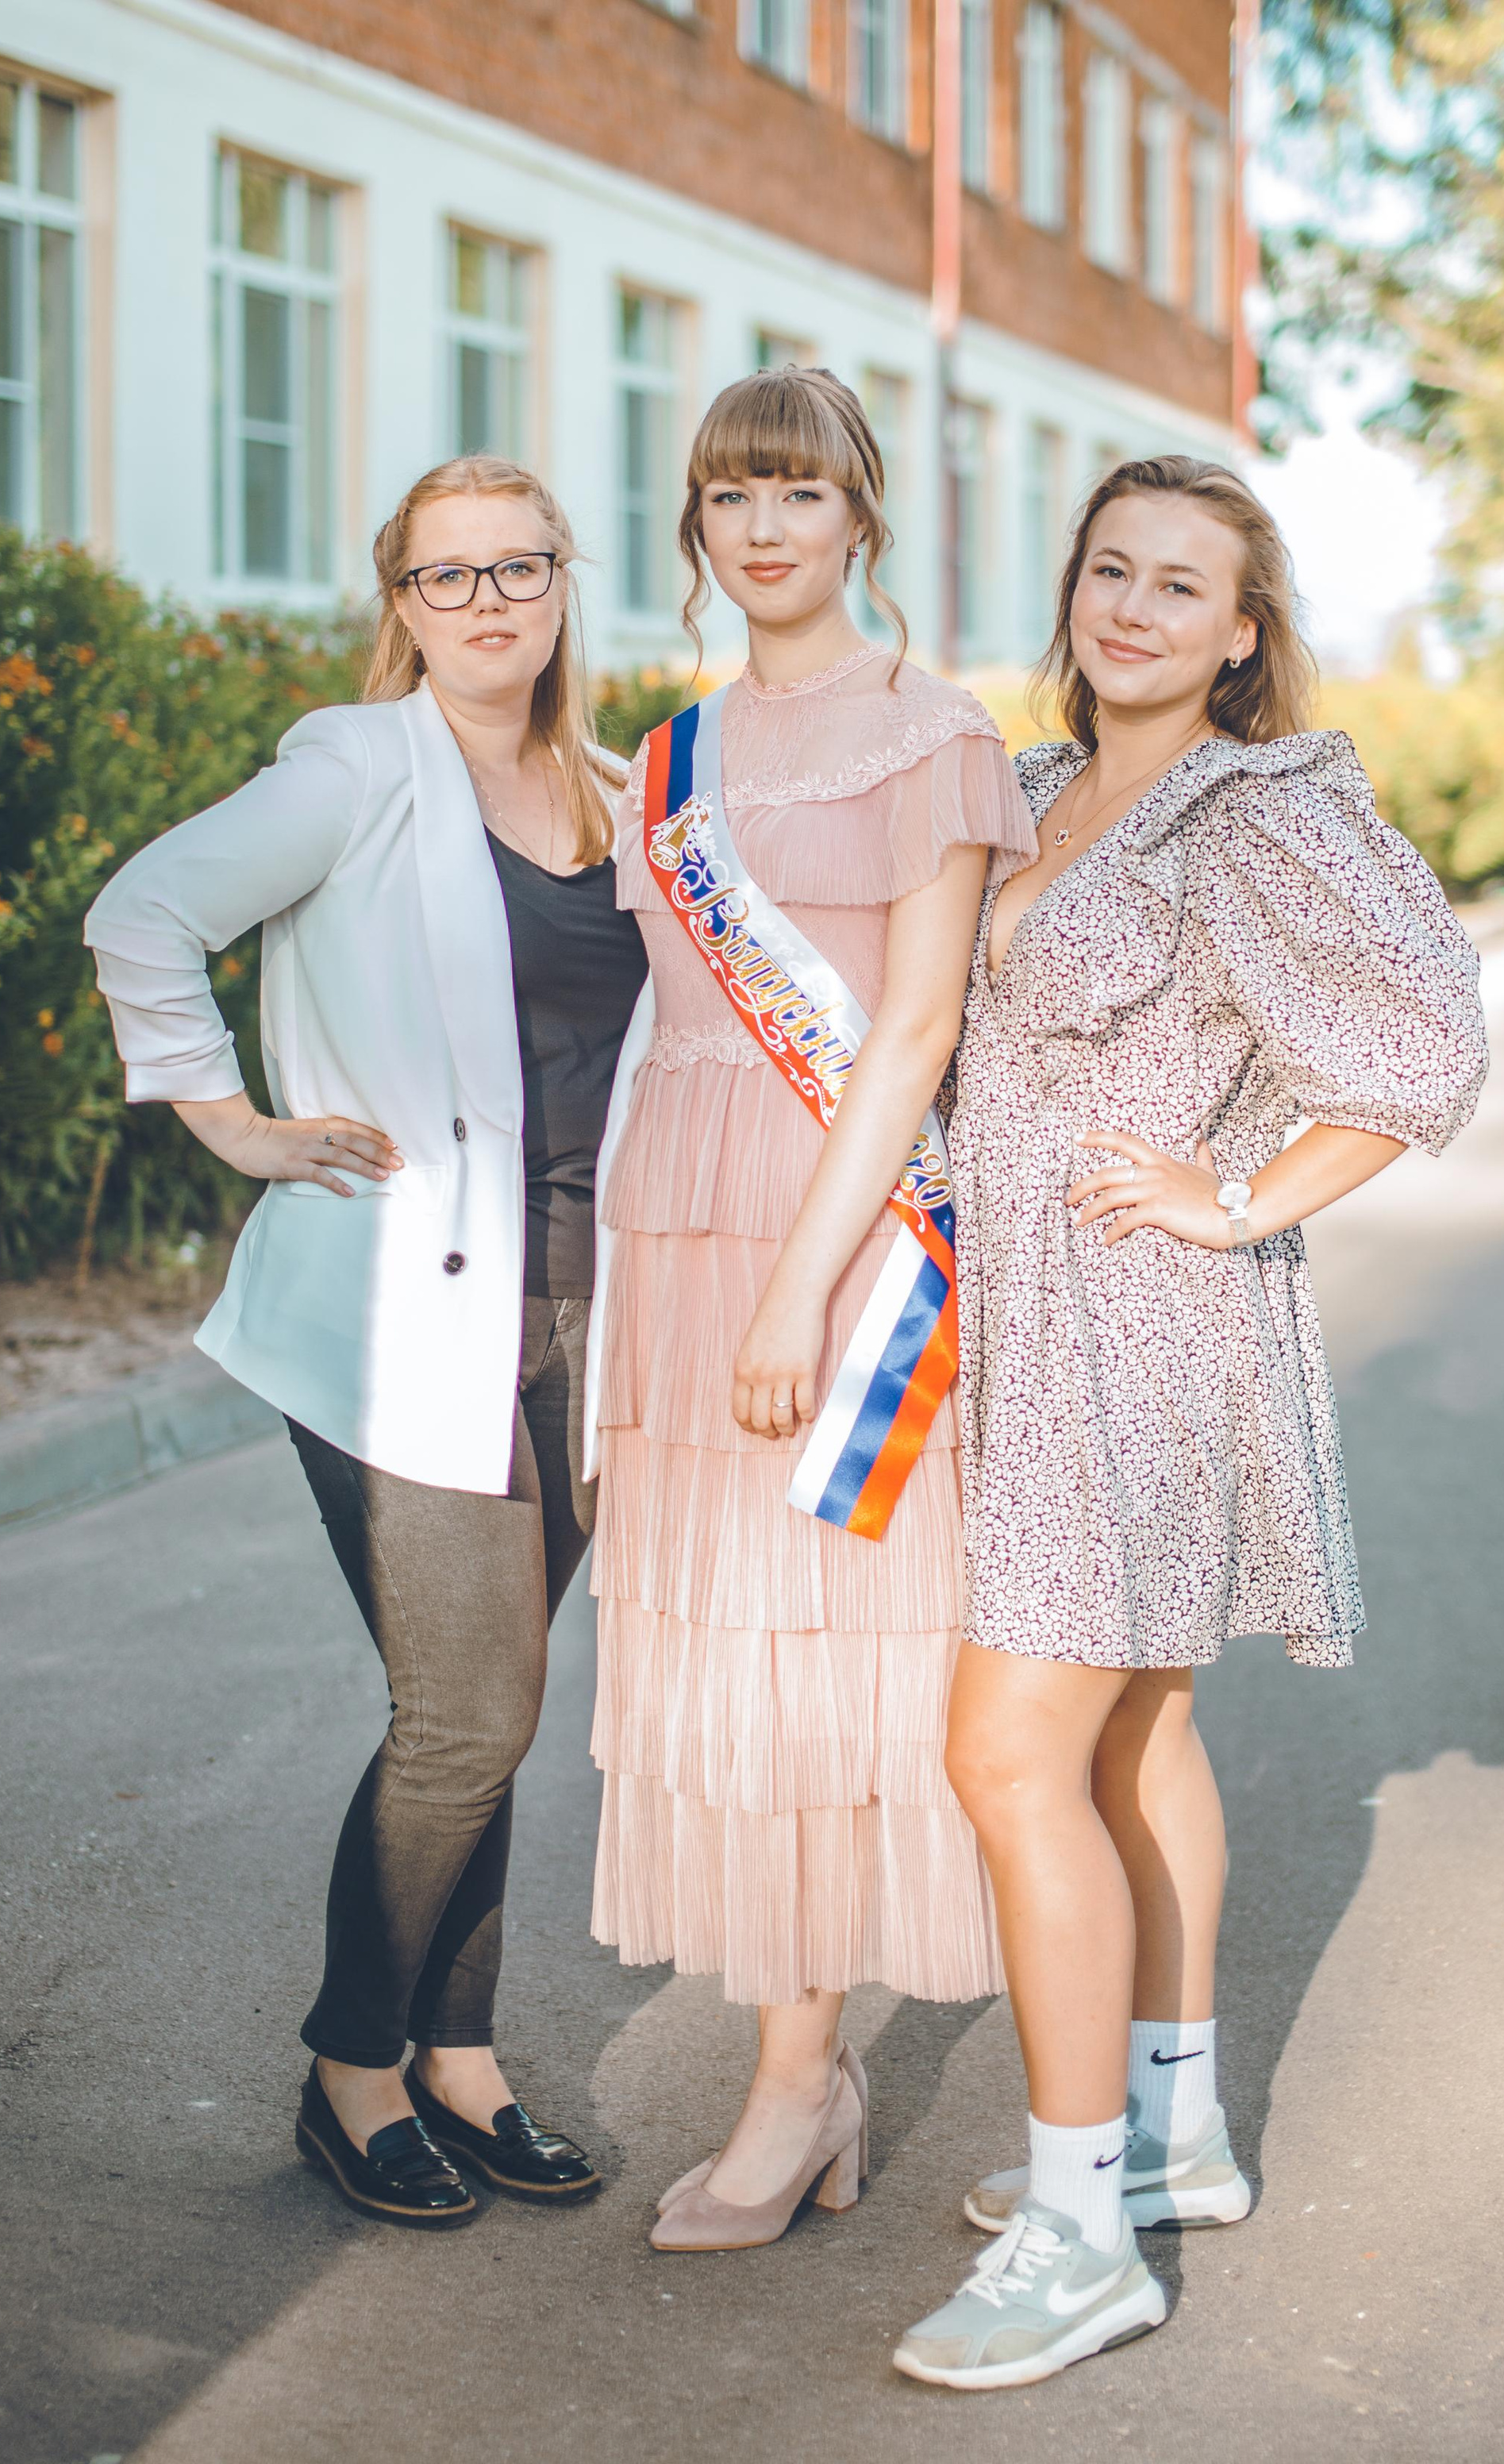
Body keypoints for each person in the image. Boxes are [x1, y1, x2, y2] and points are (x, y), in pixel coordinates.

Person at [894, 453, 1488, 2390]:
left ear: (1242, 634)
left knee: (1005, 1753)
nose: (1132, 608)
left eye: (1181, 588)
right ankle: (1170, 2135)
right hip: (1017, 1322)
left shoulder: (1256, 808)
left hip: (1134, 1328)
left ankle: (1081, 2242)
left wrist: (1236, 1200)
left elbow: (1422, 1044)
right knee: (1134, 1715)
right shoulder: (1047, 786)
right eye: (1107, 571)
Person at [84, 456, 651, 2227]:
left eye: (516, 568)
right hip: (407, 1311)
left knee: (500, 1714)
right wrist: (232, 1122)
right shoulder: (356, 766)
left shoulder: (622, 799)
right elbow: (142, 914)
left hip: (584, 1316)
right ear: (399, 605)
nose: (484, 603)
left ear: (566, 583)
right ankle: (350, 2068)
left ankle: (457, 2060)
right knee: (461, 1717)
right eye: (443, 577)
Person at [589, 368, 1039, 2250]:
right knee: (718, 1653)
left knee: (836, 1649)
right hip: (677, 1238)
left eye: (794, 493)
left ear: (859, 515)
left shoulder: (935, 737)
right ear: (693, 530)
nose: (759, 529)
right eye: (724, 498)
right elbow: (656, 1038)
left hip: (844, 1255)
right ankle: (799, 2071)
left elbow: (918, 1031)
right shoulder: (668, 759)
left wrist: (795, 1292)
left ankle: (797, 2082)